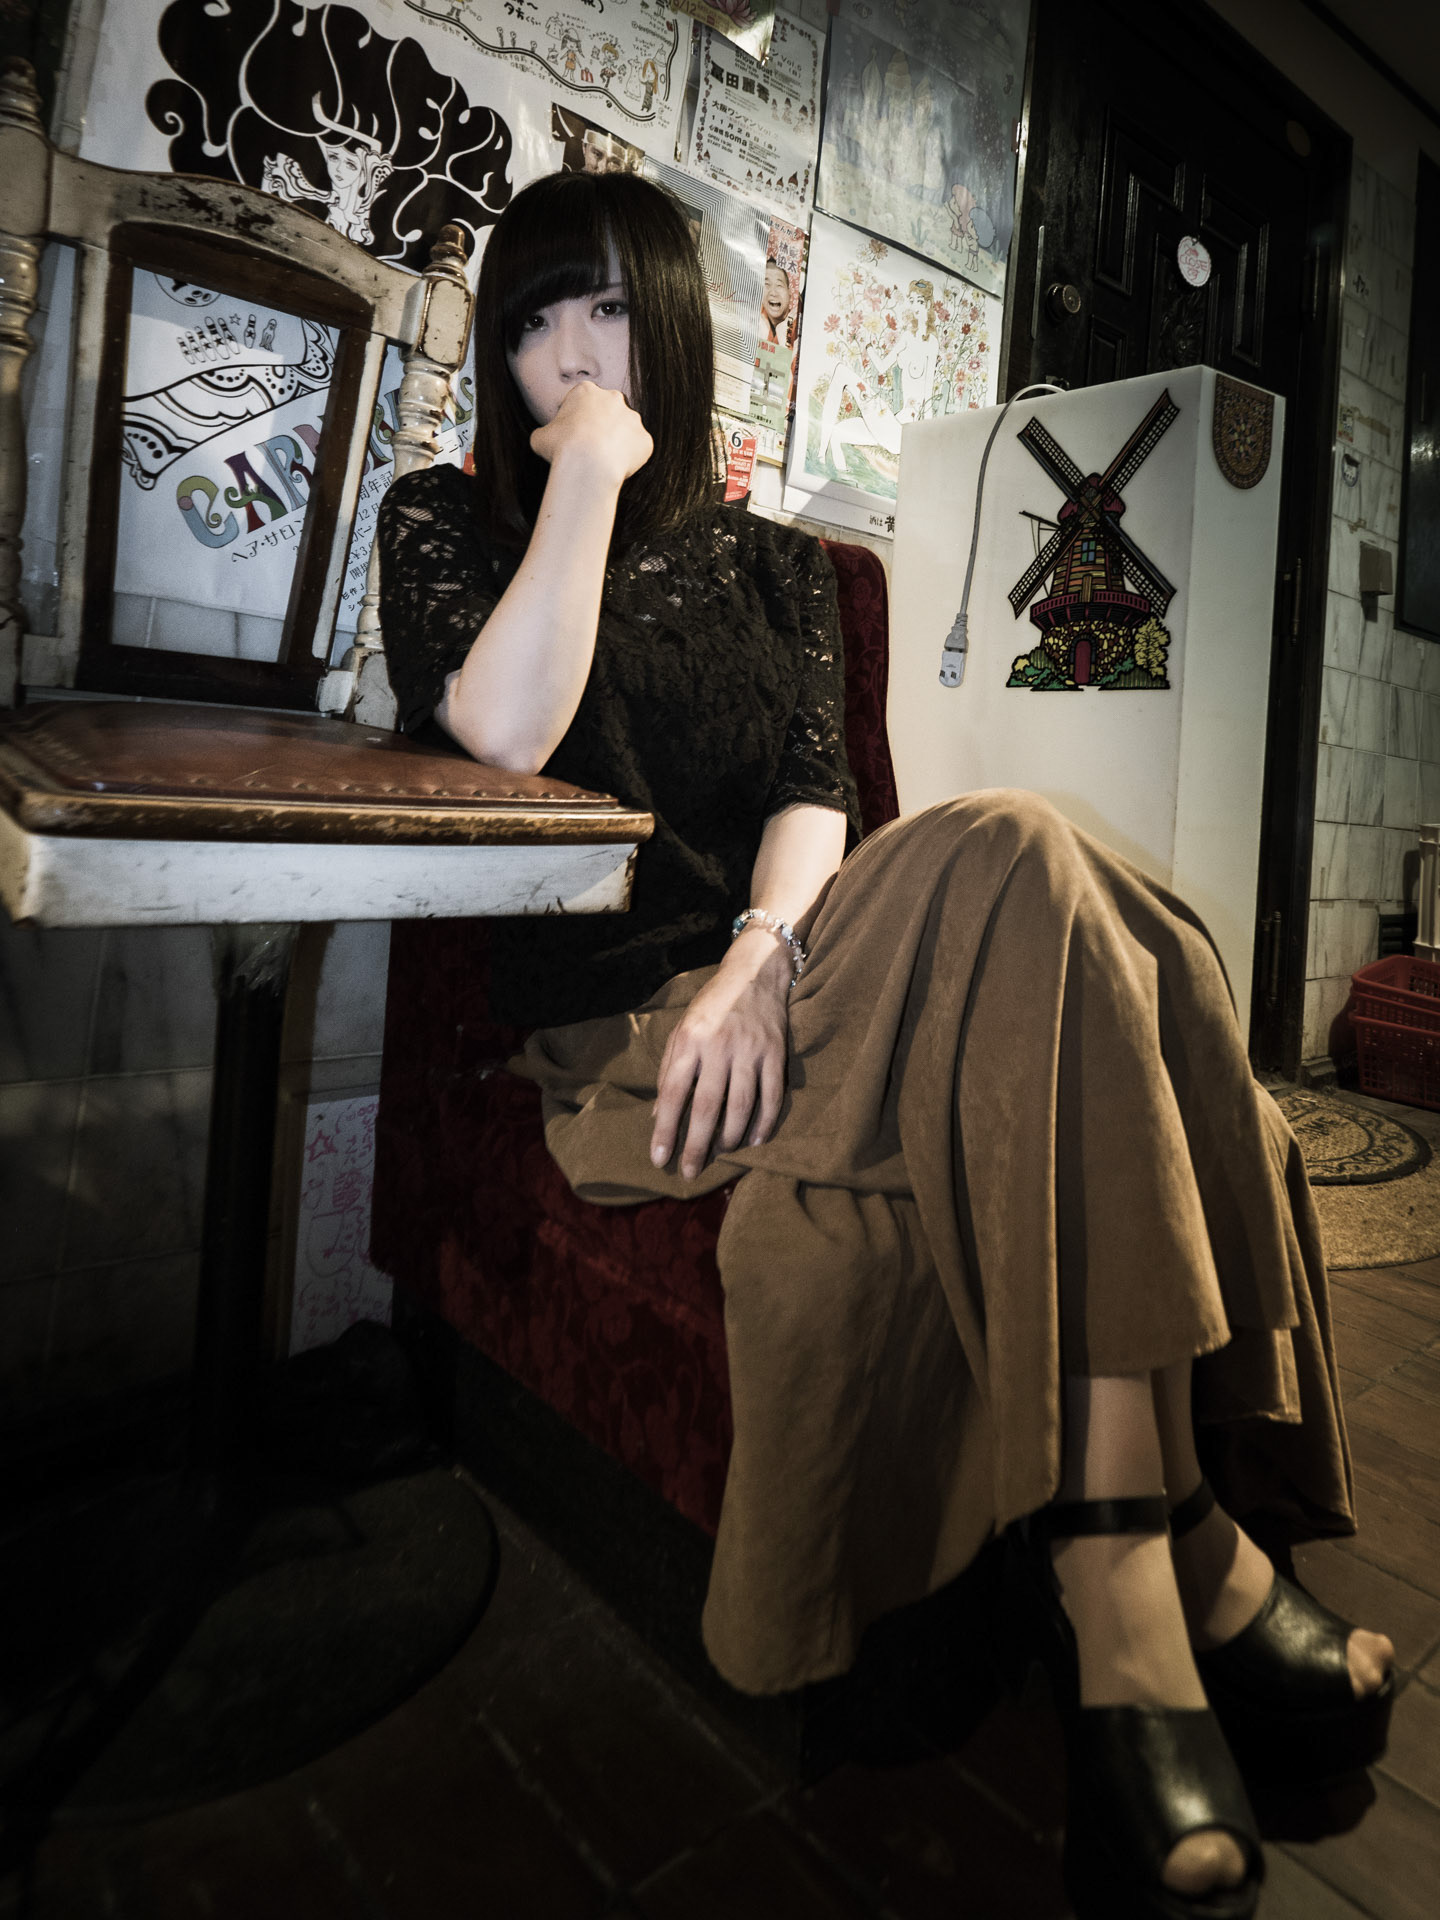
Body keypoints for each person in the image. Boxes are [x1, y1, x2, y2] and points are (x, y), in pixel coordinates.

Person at [377, 170, 1393, 1920]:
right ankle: (1173, 1559)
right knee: (1039, 862)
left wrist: (763, 957)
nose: (572, 355)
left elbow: (815, 795)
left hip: (792, 975)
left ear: (671, 322)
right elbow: (505, 731)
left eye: (608, 308)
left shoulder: (782, 566)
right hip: (615, 1043)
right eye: (534, 321)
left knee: (1059, 875)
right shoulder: (450, 519)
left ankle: (1124, 1570)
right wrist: (588, 480)